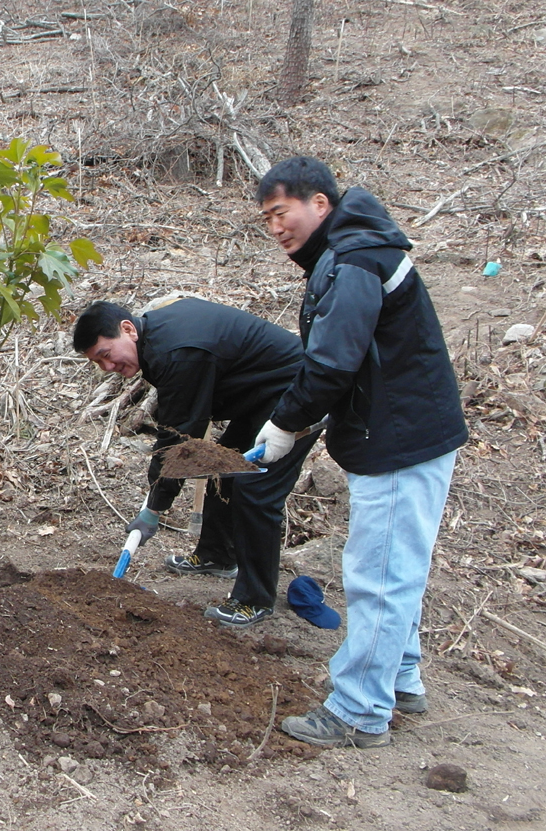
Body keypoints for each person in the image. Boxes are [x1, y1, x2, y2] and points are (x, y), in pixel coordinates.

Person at [250, 157, 468, 748]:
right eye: (266, 218)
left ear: (319, 203)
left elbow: (330, 363)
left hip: (399, 436)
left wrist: (284, 424)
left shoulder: (352, 260)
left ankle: (358, 711)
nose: (275, 228)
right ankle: (399, 679)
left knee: (378, 576)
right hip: (405, 428)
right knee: (397, 567)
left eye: (281, 212)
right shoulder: (355, 249)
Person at [73, 298, 321, 627]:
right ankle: (216, 556)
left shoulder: (178, 352)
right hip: (259, 394)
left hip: (295, 392)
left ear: (128, 329)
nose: (107, 367)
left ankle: (255, 600)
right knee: (226, 468)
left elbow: (177, 443)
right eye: (97, 362)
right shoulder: (157, 340)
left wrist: (153, 509)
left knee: (256, 491)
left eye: (106, 355)